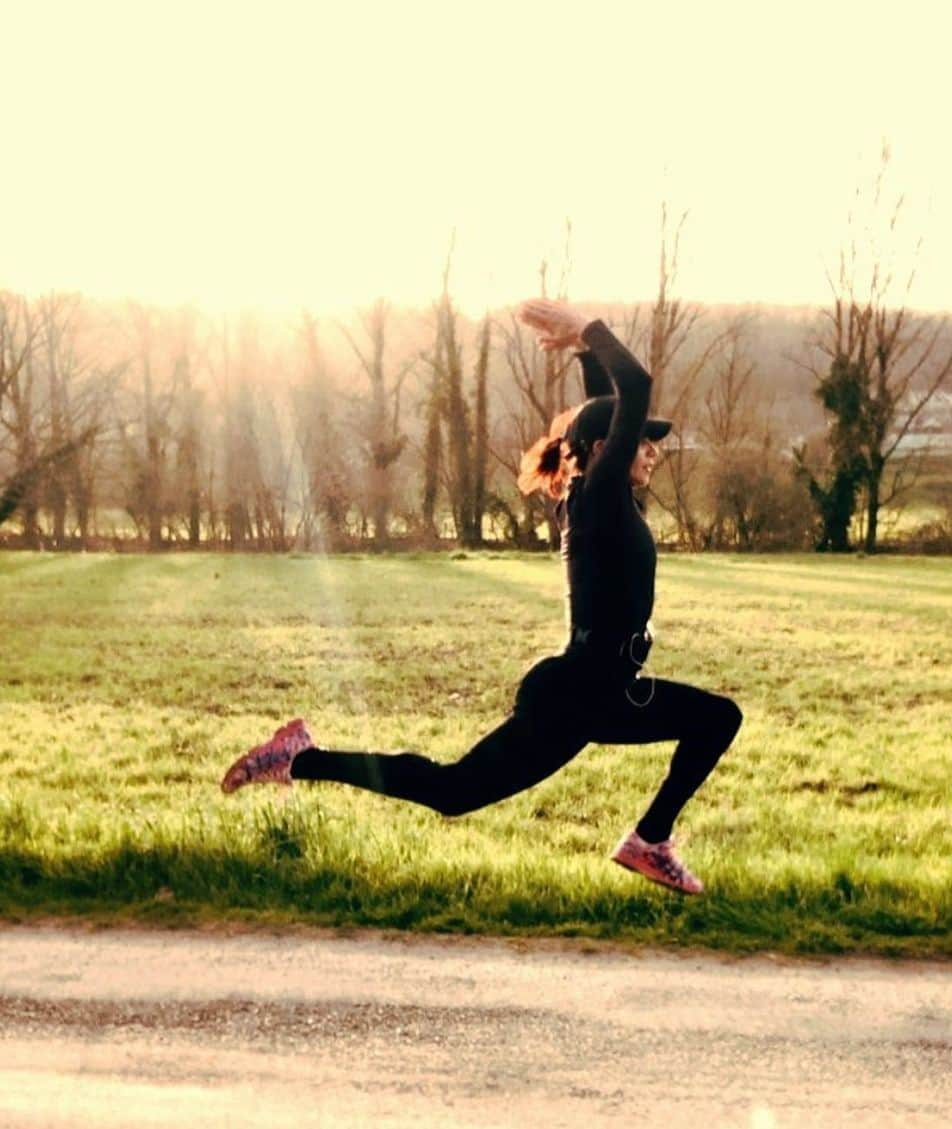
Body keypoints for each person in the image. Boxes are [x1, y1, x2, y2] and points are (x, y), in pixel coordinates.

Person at [221, 300, 742, 894]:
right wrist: (588, 332)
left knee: (457, 791)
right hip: (581, 694)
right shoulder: (598, 498)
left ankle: (298, 757)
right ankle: (649, 840)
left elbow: (603, 411)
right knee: (457, 790)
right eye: (643, 442)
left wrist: (582, 354)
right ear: (606, 451)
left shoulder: (597, 496)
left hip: (600, 691)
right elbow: (636, 387)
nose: (651, 451)